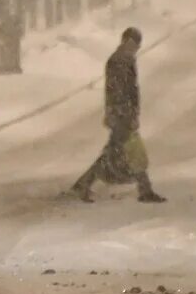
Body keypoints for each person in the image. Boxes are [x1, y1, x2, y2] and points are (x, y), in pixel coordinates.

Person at [70, 26, 166, 203]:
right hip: (122, 115)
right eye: (133, 43)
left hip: (122, 114)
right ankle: (145, 190)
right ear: (125, 41)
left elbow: (127, 91)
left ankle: (83, 184)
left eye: (137, 45)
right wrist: (124, 114)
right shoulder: (119, 61)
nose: (135, 47)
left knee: (115, 153)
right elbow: (118, 91)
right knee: (132, 152)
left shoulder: (125, 59)